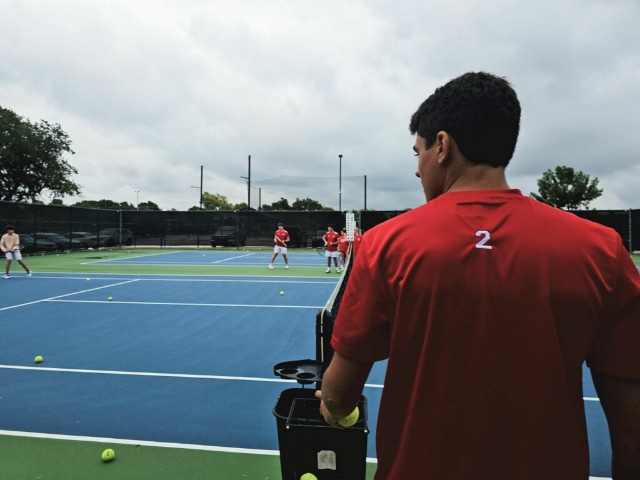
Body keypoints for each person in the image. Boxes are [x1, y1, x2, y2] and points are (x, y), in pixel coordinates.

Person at [315, 72, 640, 479]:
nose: (417, 170)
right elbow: (632, 418)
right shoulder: (602, 249)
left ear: (442, 147)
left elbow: (341, 392)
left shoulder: (384, 244)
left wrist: (331, 407)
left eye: (417, 152)